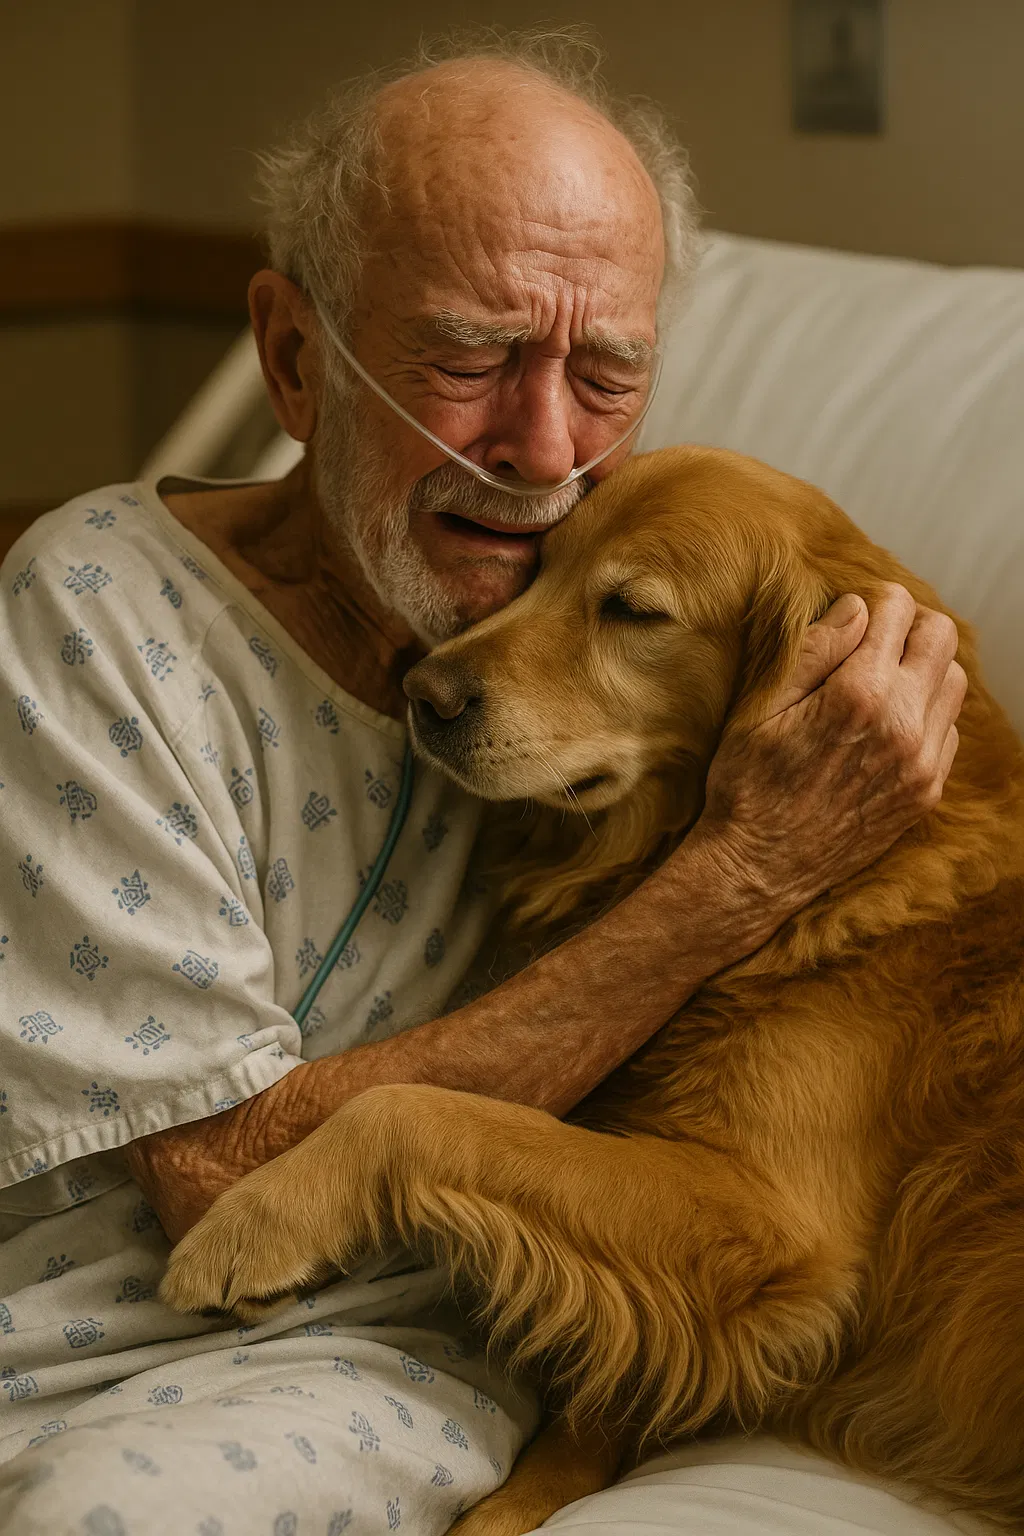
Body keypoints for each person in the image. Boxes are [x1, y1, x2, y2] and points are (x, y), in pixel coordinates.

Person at [0, 31, 966, 1536]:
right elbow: (216, 1173)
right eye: (468, 359)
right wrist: (738, 876)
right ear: (295, 359)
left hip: (403, 1340)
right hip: (85, 1312)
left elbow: (757, 1233)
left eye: (608, 374)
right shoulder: (103, 617)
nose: (543, 451)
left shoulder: (684, 690)